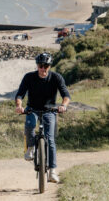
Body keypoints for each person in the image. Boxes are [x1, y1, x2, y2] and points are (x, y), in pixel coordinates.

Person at [14, 52, 70, 183]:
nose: (43, 69)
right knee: (29, 125)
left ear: (50, 66)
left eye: (46, 66)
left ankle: (52, 171)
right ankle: (31, 147)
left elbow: (66, 95)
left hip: (50, 110)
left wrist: (63, 106)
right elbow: (20, 95)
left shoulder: (56, 77)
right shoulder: (29, 77)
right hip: (32, 109)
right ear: (37, 66)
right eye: (40, 66)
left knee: (50, 139)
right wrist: (19, 106)